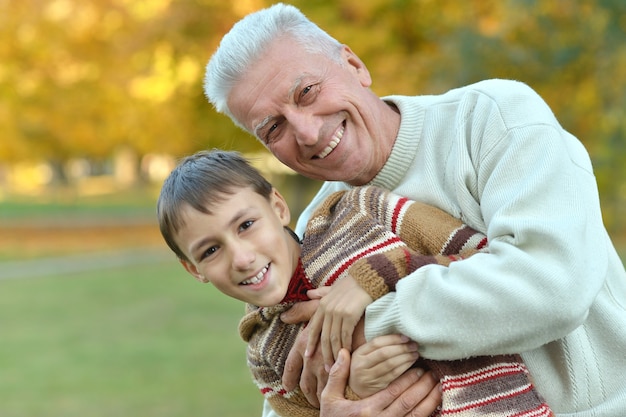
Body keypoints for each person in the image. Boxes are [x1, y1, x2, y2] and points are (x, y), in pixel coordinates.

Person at [203, 4, 626, 417]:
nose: (308, 132)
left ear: (354, 65)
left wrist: (370, 319)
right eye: (273, 128)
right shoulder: (314, 229)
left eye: (307, 92)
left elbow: (553, 285)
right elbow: (292, 380)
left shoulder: (491, 118)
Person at [157, 150, 555, 417]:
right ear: (193, 270)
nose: (241, 258)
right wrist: (352, 391)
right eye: (210, 251)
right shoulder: (264, 356)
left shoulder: (362, 211)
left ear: (278, 206)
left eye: (246, 225)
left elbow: (488, 261)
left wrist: (381, 275)